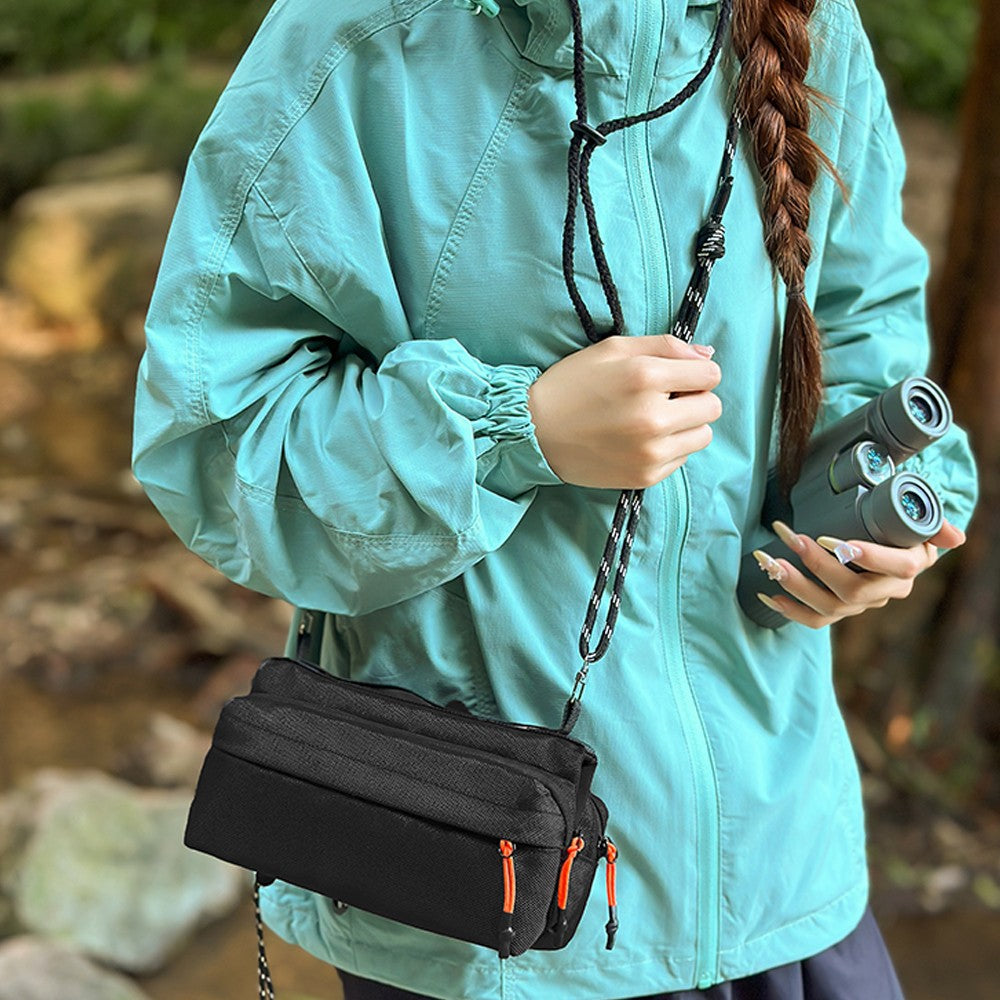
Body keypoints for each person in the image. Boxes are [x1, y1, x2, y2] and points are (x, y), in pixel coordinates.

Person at [132, 0, 979, 998]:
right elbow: (215, 441)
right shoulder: (362, 33)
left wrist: (872, 528)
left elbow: (864, 330)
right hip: (487, 894)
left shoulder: (811, 19)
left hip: (779, 868)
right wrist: (513, 433)